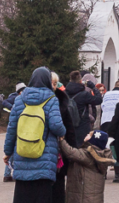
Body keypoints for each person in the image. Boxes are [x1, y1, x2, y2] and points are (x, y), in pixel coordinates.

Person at [3, 67, 66, 203]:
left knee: (23, 195)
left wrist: (8, 152)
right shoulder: (51, 99)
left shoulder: (20, 100)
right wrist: (63, 133)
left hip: (22, 154)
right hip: (44, 156)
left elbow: (12, 128)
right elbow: (56, 125)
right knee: (42, 195)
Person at [58, 130, 114, 202]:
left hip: (85, 196)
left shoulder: (89, 154)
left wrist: (62, 140)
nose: (87, 134)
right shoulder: (99, 155)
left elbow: (70, 152)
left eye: (90, 135)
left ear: (93, 140)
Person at [51, 70, 77, 202]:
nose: (53, 86)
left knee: (58, 186)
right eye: (51, 83)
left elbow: (69, 128)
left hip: (58, 151)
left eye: (55, 83)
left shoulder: (62, 101)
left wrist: (72, 152)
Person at [66, 71, 102, 144]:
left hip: (69, 127)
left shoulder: (65, 93)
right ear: (80, 81)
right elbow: (98, 99)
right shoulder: (84, 95)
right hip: (82, 127)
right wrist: (93, 87)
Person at [0, 82, 26, 182]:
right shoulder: (15, 98)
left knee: (11, 152)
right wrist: (12, 108)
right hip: (18, 127)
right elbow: (4, 102)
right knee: (13, 152)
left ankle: (7, 174)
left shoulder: (21, 98)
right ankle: (9, 173)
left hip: (18, 126)